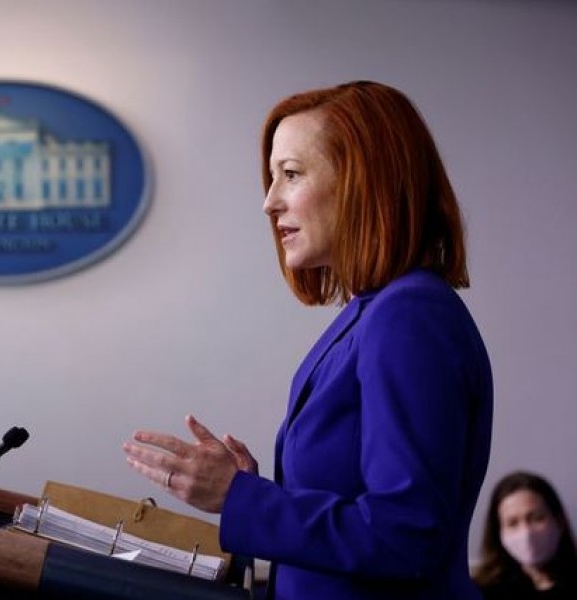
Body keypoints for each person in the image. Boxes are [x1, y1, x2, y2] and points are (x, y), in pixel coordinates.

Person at [122, 80, 494, 599]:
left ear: (366, 182)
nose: (269, 203)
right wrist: (254, 490)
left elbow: (406, 537)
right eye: (272, 179)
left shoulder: (410, 315)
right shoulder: (372, 313)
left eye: (291, 175)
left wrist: (241, 499)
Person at [473, 471, 577, 599]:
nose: (526, 532)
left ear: (559, 521)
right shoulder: (481, 591)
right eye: (512, 523)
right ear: (498, 532)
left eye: (537, 518)